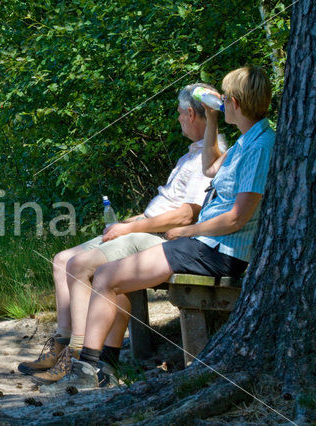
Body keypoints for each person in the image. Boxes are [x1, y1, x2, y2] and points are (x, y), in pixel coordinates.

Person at [47, 66, 274, 392]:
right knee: (115, 277)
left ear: (235, 103)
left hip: (219, 250)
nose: (221, 102)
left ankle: (88, 371)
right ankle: (102, 369)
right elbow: (210, 166)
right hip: (209, 244)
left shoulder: (259, 148)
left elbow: (237, 218)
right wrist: (210, 118)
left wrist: (189, 231)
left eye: (224, 98)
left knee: (108, 276)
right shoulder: (244, 143)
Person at [18, 83, 227, 384]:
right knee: (62, 259)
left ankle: (76, 356)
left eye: (180, 114)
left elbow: (187, 213)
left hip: (163, 237)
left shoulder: (209, 156)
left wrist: (130, 227)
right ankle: (62, 342)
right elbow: (167, 205)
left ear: (192, 114)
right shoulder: (191, 154)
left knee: (80, 266)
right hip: (146, 227)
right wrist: (131, 220)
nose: (179, 119)